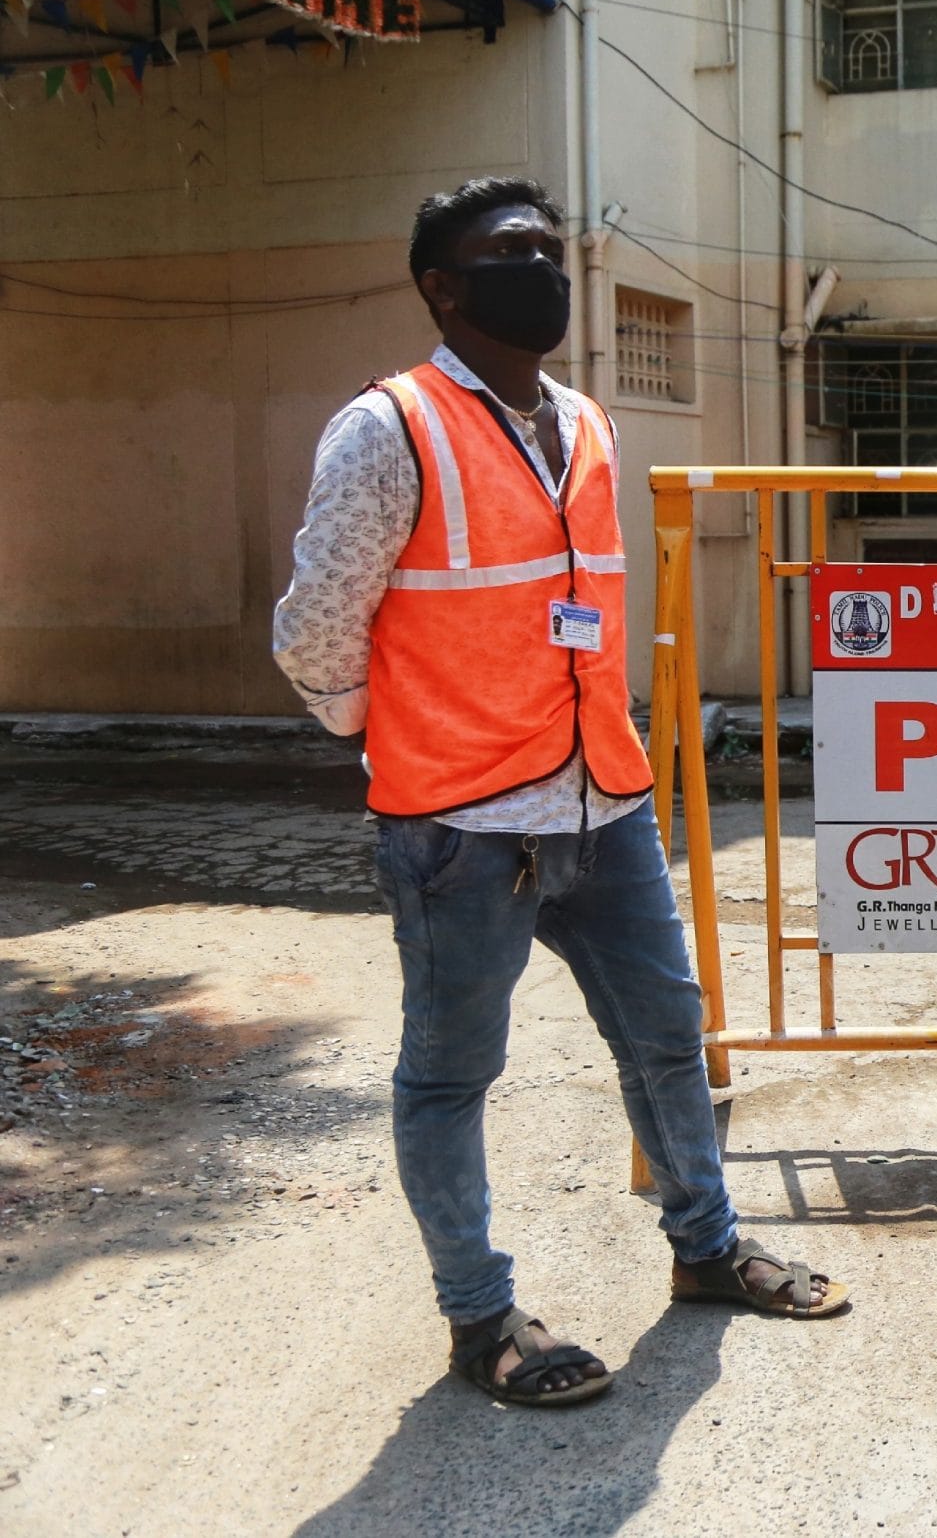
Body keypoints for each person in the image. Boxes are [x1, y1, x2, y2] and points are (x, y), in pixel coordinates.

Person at [273, 177, 847, 1408]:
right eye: (510, 252)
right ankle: (480, 1318)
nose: (544, 268)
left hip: (603, 795)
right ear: (442, 283)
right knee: (449, 1071)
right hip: (461, 827)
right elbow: (319, 629)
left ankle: (706, 1246)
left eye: (550, 247)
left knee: (667, 1033)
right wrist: (390, 731)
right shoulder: (388, 428)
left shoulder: (587, 423)